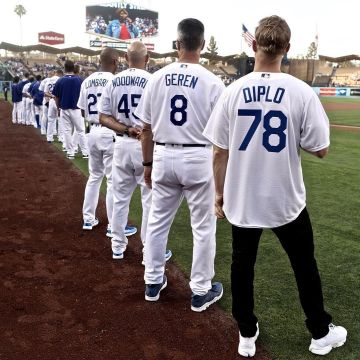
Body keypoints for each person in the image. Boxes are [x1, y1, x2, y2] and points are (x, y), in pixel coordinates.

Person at [203, 15, 347, 357]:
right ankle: (319, 332)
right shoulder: (301, 92)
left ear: (254, 45)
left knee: (242, 265)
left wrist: (219, 195)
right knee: (303, 264)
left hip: (243, 197)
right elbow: (321, 149)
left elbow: (218, 152)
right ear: (287, 48)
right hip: (285, 198)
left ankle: (247, 333)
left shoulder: (232, 91)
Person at [135, 18, 225, 310]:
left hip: (162, 155)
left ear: (177, 44)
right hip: (199, 156)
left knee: (158, 223)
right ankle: (200, 291)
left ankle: (152, 282)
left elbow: (145, 129)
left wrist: (147, 165)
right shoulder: (213, 81)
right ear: (201, 45)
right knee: (203, 227)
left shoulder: (157, 77)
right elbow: (223, 137)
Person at [98, 41, 168, 261]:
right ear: (146, 59)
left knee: (120, 198)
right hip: (148, 145)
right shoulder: (154, 80)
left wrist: (126, 129)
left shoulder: (114, 80)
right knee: (149, 200)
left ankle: (117, 246)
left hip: (122, 143)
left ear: (125, 59)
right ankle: (149, 249)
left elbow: (103, 117)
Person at [77, 47, 137, 238]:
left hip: (92, 131)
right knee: (112, 181)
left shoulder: (87, 80)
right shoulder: (115, 80)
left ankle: (88, 218)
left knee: (94, 176)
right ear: (115, 61)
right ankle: (113, 225)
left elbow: (82, 112)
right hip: (110, 132)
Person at [52, 60, 89, 160]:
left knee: (67, 131)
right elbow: (84, 96)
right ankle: (85, 152)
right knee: (81, 131)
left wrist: (58, 107)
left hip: (64, 108)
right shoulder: (80, 80)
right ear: (73, 68)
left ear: (65, 68)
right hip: (77, 109)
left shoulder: (60, 80)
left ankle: (70, 152)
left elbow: (56, 97)